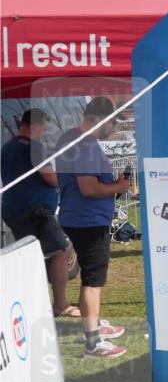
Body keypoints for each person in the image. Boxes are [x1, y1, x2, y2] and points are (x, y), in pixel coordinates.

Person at [54, 97, 130, 358]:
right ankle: (93, 342)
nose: (115, 129)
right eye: (113, 122)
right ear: (98, 119)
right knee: (93, 281)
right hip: (88, 221)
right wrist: (117, 188)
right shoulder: (84, 144)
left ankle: (94, 323)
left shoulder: (72, 138)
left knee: (91, 275)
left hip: (80, 218)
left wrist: (112, 188)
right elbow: (88, 187)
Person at [1, 109, 77, 318]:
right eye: (43, 127)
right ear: (32, 125)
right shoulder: (34, 147)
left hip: (13, 209)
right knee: (62, 251)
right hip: (35, 211)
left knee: (31, 256)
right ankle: (60, 304)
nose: (44, 132)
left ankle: (30, 302)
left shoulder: (7, 147)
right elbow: (49, 177)